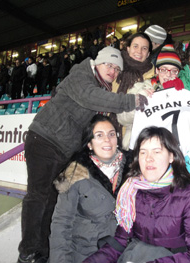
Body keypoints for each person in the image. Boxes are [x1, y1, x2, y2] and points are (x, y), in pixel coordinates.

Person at [17, 47, 149, 263]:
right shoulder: (82, 74)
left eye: (117, 69)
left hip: (63, 149)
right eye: (109, 65)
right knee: (38, 196)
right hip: (44, 140)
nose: (113, 71)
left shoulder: (99, 86)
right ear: (97, 63)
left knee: (52, 199)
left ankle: (43, 250)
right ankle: (29, 251)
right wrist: (131, 100)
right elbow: (90, 97)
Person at [84, 126, 190, 263]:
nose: (149, 159)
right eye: (143, 153)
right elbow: (121, 242)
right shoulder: (131, 190)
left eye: (157, 152)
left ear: (171, 156)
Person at [49, 114, 131, 263]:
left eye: (111, 134)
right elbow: (61, 223)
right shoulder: (75, 173)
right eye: (99, 135)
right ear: (90, 144)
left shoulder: (134, 169)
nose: (107, 139)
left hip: (125, 251)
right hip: (86, 252)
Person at [117, 44, 183, 150]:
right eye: (164, 69)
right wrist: (139, 101)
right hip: (138, 149)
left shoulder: (182, 93)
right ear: (157, 70)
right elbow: (121, 118)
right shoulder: (140, 88)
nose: (168, 75)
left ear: (178, 73)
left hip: (168, 149)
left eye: (174, 71)